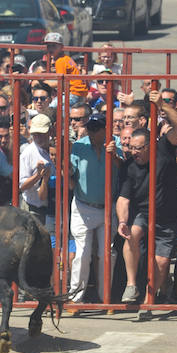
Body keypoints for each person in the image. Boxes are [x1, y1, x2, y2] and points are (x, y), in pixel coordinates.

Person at [116, 90, 177, 305]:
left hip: (168, 216)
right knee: (131, 234)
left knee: (162, 263)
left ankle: (150, 297)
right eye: (131, 148)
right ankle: (131, 285)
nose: (134, 152)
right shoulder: (129, 166)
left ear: (149, 146)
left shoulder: (163, 148)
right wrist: (122, 221)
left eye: (139, 149)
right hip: (144, 214)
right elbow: (123, 199)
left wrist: (163, 106)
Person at [68, 113, 119, 304]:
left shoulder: (116, 144)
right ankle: (75, 298)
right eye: (90, 128)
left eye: (96, 129)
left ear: (106, 130)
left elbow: (124, 169)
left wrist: (113, 155)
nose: (91, 132)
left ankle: (105, 297)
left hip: (108, 206)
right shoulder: (79, 146)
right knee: (82, 253)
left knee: (106, 253)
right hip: (83, 205)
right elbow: (70, 173)